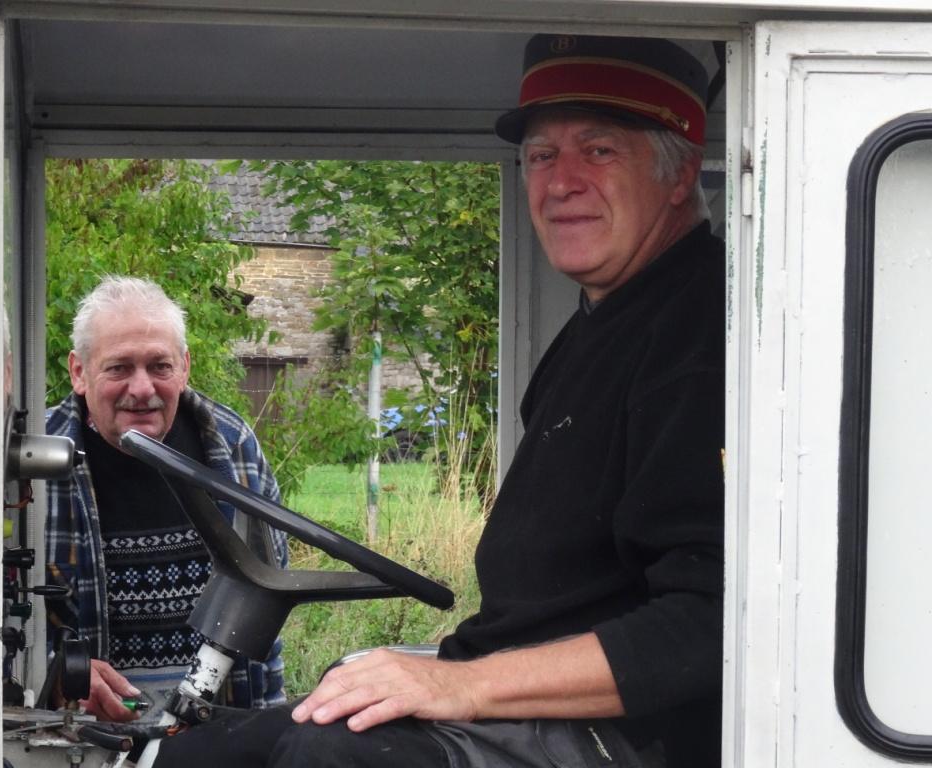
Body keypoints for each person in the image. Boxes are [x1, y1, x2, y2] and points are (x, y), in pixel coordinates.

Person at [154, 32, 724, 768]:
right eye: (542, 156)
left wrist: (462, 685)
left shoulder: (698, 332)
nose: (561, 182)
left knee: (330, 754)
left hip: (620, 738)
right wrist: (446, 674)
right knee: (194, 755)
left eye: (599, 150)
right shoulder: (604, 321)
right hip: (520, 698)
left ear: (679, 173)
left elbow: (705, 626)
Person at [45, 276, 288, 722]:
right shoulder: (37, 461)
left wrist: (266, 732)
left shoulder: (233, 447)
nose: (142, 388)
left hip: (218, 734)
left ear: (185, 366)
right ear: (79, 372)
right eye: (119, 368)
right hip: (81, 739)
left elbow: (269, 596)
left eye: (160, 366)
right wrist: (62, 672)